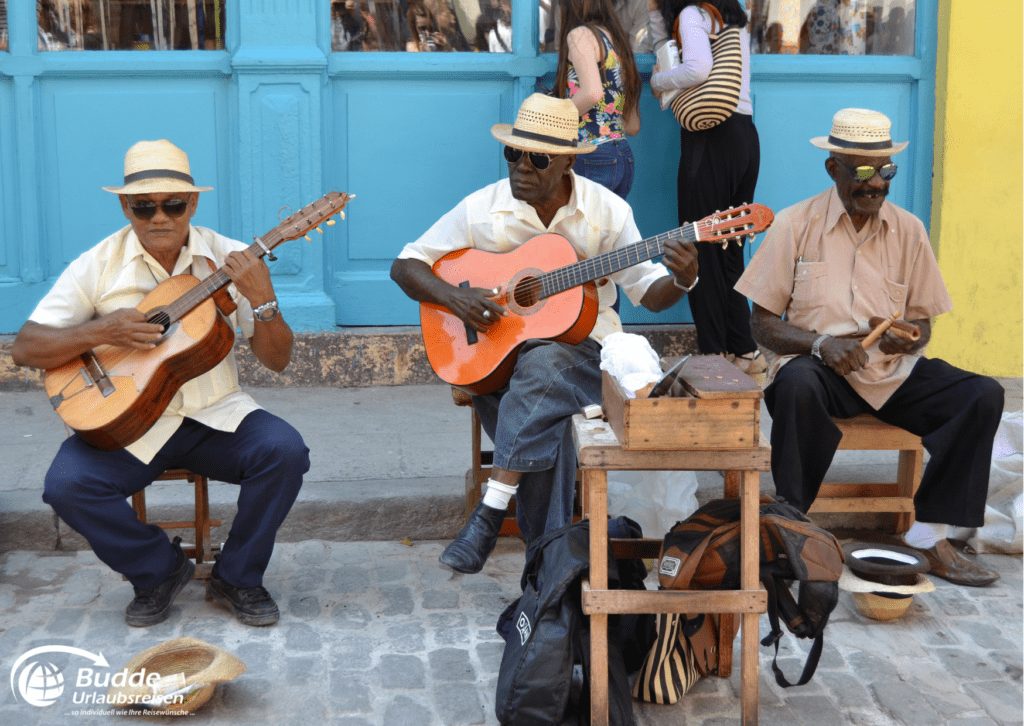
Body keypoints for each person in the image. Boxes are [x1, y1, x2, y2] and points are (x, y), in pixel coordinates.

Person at [390, 94, 699, 574]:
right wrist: (457, 301)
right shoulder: (482, 208)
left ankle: (493, 515)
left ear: (567, 162)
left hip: (585, 357)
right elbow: (406, 265)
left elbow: (646, 290)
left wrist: (681, 279)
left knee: (546, 363)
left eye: (536, 159)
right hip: (498, 364)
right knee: (545, 419)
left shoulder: (607, 211)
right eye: (513, 154)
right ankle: (548, 574)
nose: (520, 168)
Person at [11, 140, 311, 625]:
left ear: (192, 203)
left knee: (285, 452)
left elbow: (278, 361)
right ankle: (157, 570)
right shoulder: (99, 263)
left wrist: (264, 299)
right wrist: (102, 330)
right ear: (124, 206)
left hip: (215, 416)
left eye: (173, 204)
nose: (159, 217)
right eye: (143, 206)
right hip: (130, 424)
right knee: (66, 486)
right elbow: (25, 346)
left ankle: (237, 576)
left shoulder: (230, 259)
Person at [734, 108, 1004, 587]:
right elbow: (762, 324)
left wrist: (910, 336)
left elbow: (922, 320)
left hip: (889, 374)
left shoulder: (909, 230)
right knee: (794, 384)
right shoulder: (795, 224)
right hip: (822, 372)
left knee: (982, 394)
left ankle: (927, 534)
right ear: (832, 168)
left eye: (885, 171)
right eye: (861, 171)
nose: (875, 183)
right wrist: (820, 344)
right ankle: (793, 527)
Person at [649, 0, 764, 374]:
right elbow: (664, 42)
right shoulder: (732, 18)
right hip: (745, 136)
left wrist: (658, 81)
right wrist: (656, 13)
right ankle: (744, 351)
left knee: (699, 247)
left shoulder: (691, 15)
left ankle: (715, 355)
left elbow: (697, 68)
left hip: (710, 139)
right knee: (730, 248)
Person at [555, 0, 642, 200]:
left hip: (591, 153)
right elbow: (633, 125)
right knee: (607, 231)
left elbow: (592, 93)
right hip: (622, 155)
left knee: (581, 230)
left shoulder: (580, 35)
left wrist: (552, 118)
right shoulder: (619, 42)